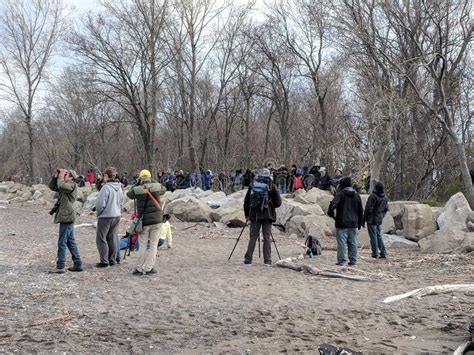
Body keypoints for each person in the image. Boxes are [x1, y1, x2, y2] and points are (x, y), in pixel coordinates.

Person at [126, 169, 166, 275]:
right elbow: (164, 189)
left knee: (142, 244)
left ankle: (139, 268)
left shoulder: (138, 189)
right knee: (153, 244)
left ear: (140, 178)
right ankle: (149, 267)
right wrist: (152, 181)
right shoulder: (156, 186)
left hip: (144, 221)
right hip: (157, 220)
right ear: (149, 177)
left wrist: (137, 183)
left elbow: (129, 194)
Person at [243, 168, 282, 266]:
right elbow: (278, 202)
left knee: (253, 237)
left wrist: (247, 214)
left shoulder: (253, 184)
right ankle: (267, 261)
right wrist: (270, 205)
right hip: (267, 215)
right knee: (267, 237)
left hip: (254, 214)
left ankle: (248, 260)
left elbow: (247, 201)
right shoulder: (271, 185)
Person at [48, 169, 83, 273]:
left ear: (72, 177)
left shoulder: (71, 185)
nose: (64, 176)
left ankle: (60, 266)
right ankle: (78, 264)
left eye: (66, 175)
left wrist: (60, 177)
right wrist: (56, 176)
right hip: (66, 216)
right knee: (70, 241)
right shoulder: (64, 185)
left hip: (67, 217)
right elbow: (52, 187)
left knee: (62, 242)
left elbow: (61, 186)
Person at [327, 176, 363, 266]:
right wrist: (360, 222)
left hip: (341, 222)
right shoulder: (356, 195)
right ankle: (353, 260)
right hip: (353, 222)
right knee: (353, 242)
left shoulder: (340, 194)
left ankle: (342, 261)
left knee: (342, 242)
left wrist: (331, 214)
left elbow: (333, 204)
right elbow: (360, 210)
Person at [95, 167, 123, 267]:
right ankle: (112, 259)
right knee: (112, 238)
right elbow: (121, 202)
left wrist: (99, 214)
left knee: (101, 239)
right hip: (117, 215)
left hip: (106, 216)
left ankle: (104, 261)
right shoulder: (119, 187)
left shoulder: (106, 188)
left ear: (106, 176)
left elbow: (99, 204)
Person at [363, 181, 388, 259]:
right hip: (379, 218)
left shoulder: (373, 197)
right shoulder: (385, 197)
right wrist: (381, 216)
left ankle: (375, 253)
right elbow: (386, 209)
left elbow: (368, 209)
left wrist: (364, 219)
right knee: (378, 236)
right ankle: (383, 252)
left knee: (373, 237)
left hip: (372, 219)